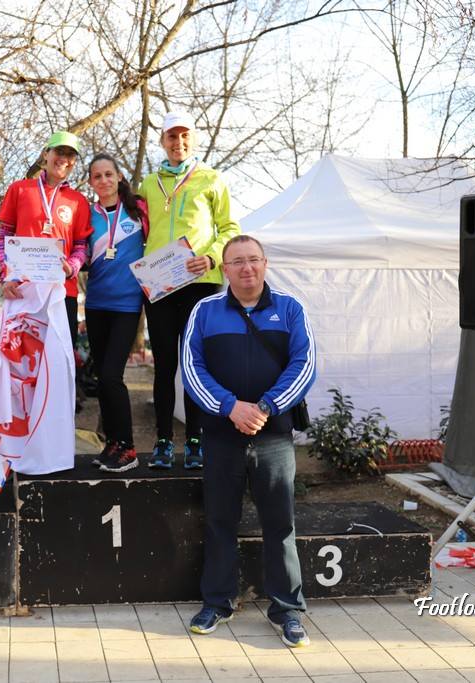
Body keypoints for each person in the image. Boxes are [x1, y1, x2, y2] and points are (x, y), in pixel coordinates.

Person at [181, 235, 316, 647]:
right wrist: (229, 407)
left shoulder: (290, 308)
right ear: (225, 269)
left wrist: (266, 407)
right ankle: (217, 603)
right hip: (222, 436)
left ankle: (287, 609)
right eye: (237, 261)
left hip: (273, 436)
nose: (246, 268)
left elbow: (305, 363)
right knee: (220, 522)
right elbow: (191, 367)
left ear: (265, 263)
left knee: (280, 524)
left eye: (253, 259)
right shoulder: (205, 310)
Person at [139, 111, 240, 470]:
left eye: (184, 136)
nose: (178, 143)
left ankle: (196, 441)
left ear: (193, 140)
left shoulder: (212, 179)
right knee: (164, 364)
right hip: (161, 284)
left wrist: (212, 257)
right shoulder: (149, 184)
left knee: (195, 363)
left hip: (200, 282)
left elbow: (229, 228)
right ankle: (164, 441)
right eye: (171, 136)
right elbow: (137, 227)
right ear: (162, 141)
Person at [83, 154, 148, 472]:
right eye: (97, 176)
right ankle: (112, 443)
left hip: (127, 305)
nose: (104, 180)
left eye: (109, 174)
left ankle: (128, 447)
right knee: (101, 377)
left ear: (119, 176)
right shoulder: (87, 215)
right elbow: (80, 253)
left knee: (112, 375)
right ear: (91, 182)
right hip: (96, 303)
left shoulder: (139, 209)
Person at [0, 130, 91, 345]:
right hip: (22, 290)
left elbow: (81, 246)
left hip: (62, 292)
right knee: (20, 360)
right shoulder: (19, 189)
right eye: (59, 152)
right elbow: (4, 236)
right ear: (46, 154)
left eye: (70, 155)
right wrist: (6, 276)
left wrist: (72, 267)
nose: (64, 159)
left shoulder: (78, 201)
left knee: (60, 359)